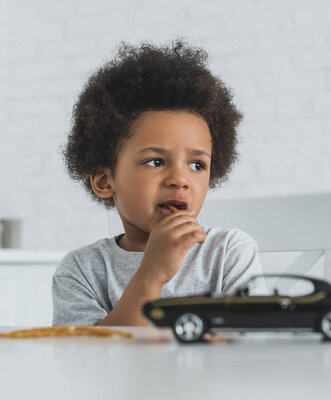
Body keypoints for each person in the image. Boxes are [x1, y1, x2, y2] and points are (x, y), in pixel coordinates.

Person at [52, 39, 263, 326]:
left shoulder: (228, 253)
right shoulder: (82, 270)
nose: (180, 179)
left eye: (197, 165)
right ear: (104, 180)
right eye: (156, 162)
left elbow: (252, 347)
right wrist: (151, 274)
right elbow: (90, 361)